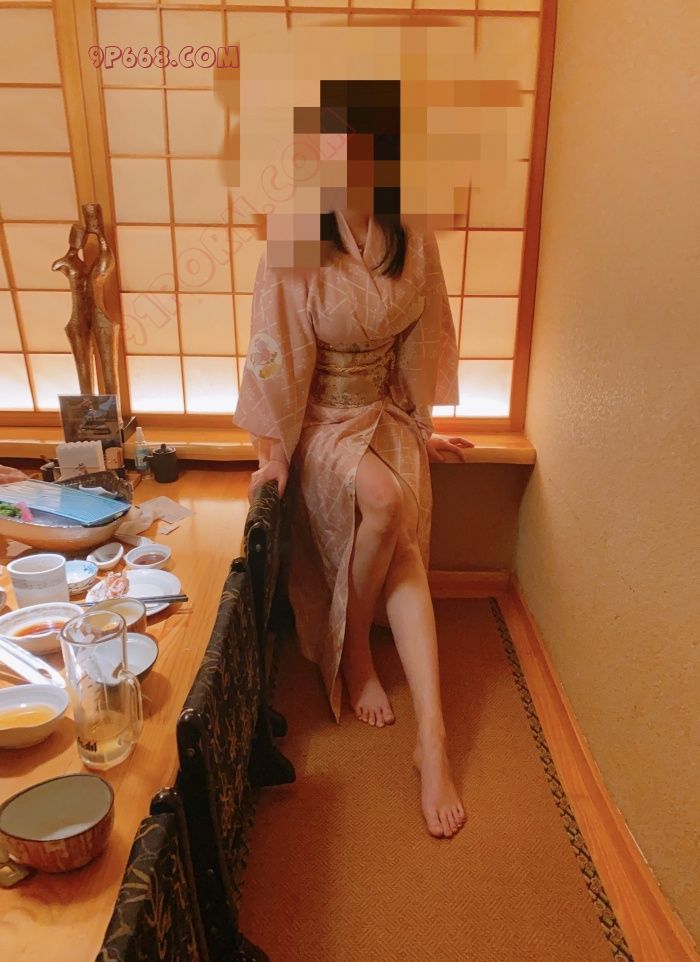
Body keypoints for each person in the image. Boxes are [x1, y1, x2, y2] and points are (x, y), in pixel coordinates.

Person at [233, 81, 473, 839]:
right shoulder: (296, 237)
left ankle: (432, 738)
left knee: (402, 544)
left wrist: (422, 426)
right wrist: (273, 452)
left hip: (385, 412)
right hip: (321, 420)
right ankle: (359, 658)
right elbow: (275, 352)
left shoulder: (412, 235)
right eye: (329, 148)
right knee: (388, 501)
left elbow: (424, 338)